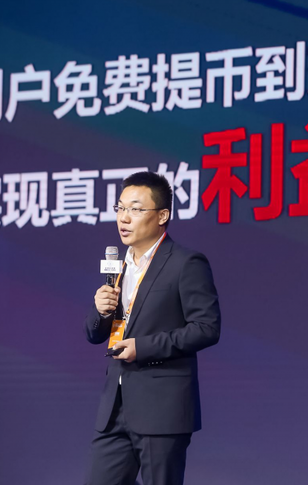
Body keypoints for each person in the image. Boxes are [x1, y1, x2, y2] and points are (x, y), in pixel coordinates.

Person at [84, 171, 221, 485]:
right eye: (120, 208)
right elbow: (93, 333)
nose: (124, 218)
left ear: (162, 216)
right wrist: (100, 311)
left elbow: (206, 327)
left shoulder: (186, 263)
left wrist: (142, 347)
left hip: (162, 408)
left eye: (135, 209)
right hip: (115, 408)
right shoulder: (119, 266)